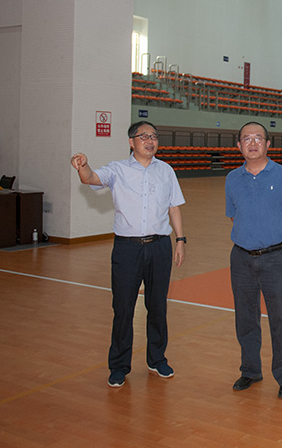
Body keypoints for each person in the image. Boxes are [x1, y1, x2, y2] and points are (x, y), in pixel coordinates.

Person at [71, 121, 186, 388]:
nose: (150, 141)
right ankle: (119, 366)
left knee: (157, 306)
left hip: (159, 246)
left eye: (154, 136)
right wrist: (83, 165)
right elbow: (91, 178)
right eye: (144, 136)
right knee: (123, 308)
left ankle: (157, 359)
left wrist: (180, 240)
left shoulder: (166, 170)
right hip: (127, 249)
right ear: (131, 142)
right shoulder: (118, 169)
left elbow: (174, 207)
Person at [225, 121, 282, 399]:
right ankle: (250, 370)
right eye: (247, 138)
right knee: (245, 318)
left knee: (280, 318)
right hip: (241, 259)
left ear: (268, 144)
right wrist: (251, 238)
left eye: (258, 138)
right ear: (239, 146)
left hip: (274, 259)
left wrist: (273, 238)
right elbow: (233, 215)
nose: (253, 143)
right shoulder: (232, 178)